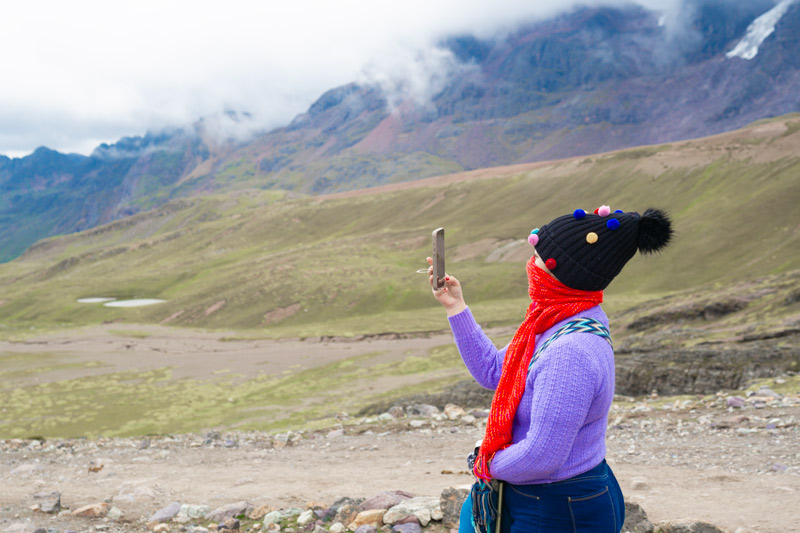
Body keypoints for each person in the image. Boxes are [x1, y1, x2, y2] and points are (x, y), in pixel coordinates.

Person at [427, 205, 673, 533]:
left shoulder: (568, 352)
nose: (532, 266)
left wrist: (485, 462)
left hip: (559, 507)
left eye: (540, 260)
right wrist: (455, 306)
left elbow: (542, 457)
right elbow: (491, 371)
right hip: (548, 496)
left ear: (565, 273)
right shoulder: (557, 319)